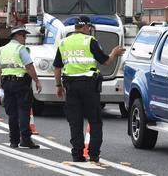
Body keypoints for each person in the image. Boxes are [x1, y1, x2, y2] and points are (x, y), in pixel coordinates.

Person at [53, 16, 125, 163]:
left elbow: (57, 67)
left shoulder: (64, 42)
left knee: (75, 121)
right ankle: (94, 154)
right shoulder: (90, 41)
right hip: (88, 86)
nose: (90, 30)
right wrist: (114, 53)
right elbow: (105, 61)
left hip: (70, 86)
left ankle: (77, 155)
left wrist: (58, 86)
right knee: (95, 121)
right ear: (85, 27)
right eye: (90, 27)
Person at [0, 26, 42, 149]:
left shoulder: (2, 49)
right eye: (24, 36)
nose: (25, 39)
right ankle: (26, 140)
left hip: (7, 83)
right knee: (23, 112)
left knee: (12, 113)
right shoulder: (20, 48)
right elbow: (29, 66)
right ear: (17, 36)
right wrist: (37, 81)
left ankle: (13, 141)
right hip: (20, 83)